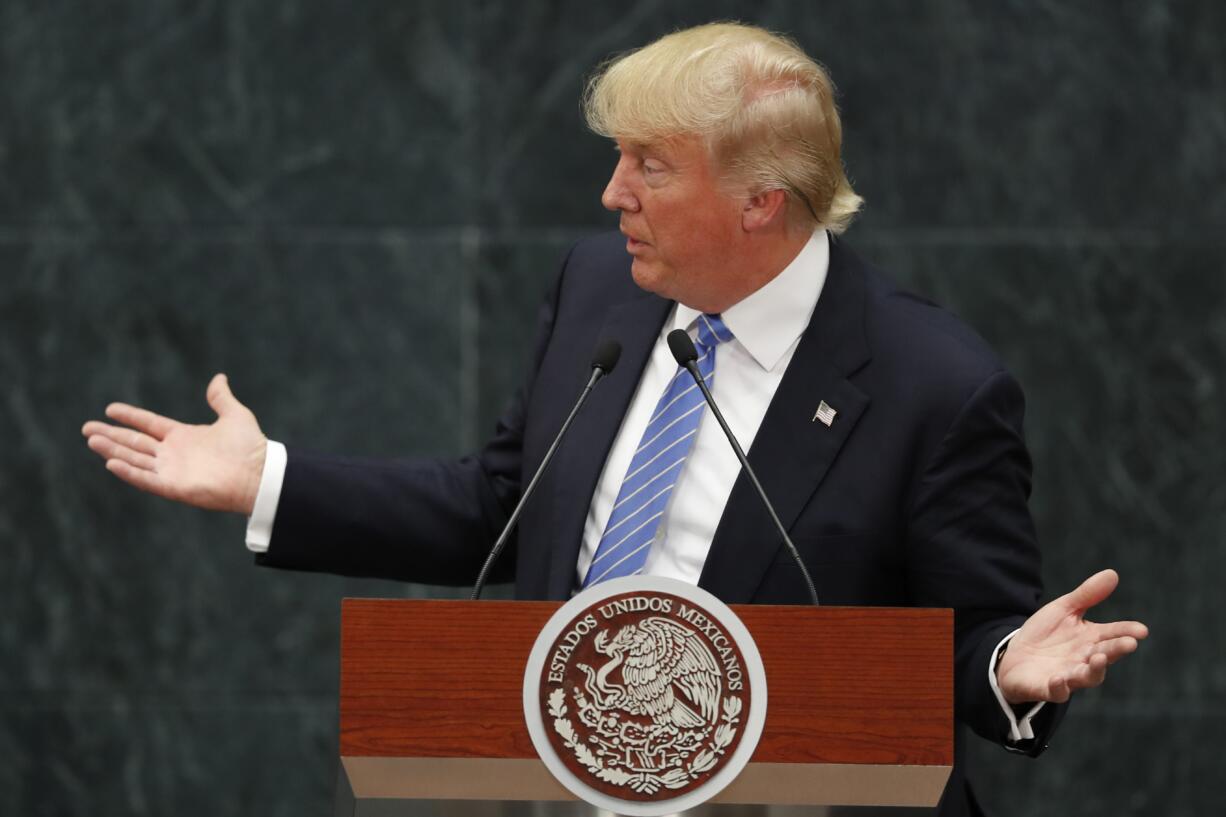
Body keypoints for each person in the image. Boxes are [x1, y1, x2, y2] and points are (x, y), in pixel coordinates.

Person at [82, 22, 1146, 817]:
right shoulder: (600, 293)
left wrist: (1005, 665)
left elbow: (970, 639)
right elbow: (499, 506)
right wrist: (266, 477)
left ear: (758, 200)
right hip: (561, 786)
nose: (610, 193)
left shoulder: (934, 383)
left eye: (648, 164)